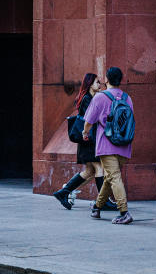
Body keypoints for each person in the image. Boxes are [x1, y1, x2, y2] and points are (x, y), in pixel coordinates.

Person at [52, 73, 113, 210]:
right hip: (89, 140)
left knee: (90, 171)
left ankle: (64, 192)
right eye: (97, 82)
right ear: (90, 84)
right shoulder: (87, 99)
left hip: (88, 140)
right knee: (99, 168)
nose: (100, 84)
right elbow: (92, 119)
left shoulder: (89, 98)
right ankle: (103, 202)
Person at [82, 66, 134, 225]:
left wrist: (85, 133)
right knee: (110, 177)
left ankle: (124, 212)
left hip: (106, 144)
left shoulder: (100, 97)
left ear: (106, 79)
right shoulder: (127, 98)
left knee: (114, 177)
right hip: (124, 145)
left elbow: (89, 121)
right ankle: (97, 207)